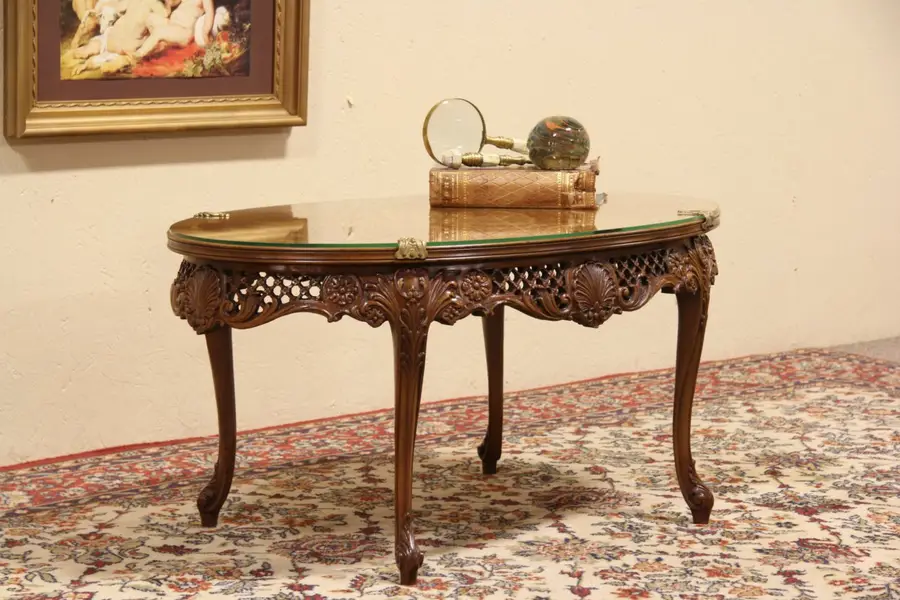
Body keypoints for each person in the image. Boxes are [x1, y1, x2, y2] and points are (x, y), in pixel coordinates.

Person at [135, 0, 215, 59]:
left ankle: (138, 55)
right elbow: (173, 2)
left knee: (159, 31)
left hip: (184, 31)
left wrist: (205, 31)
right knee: (150, 18)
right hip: (172, 24)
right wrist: (169, 3)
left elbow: (209, 13)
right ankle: (159, 45)